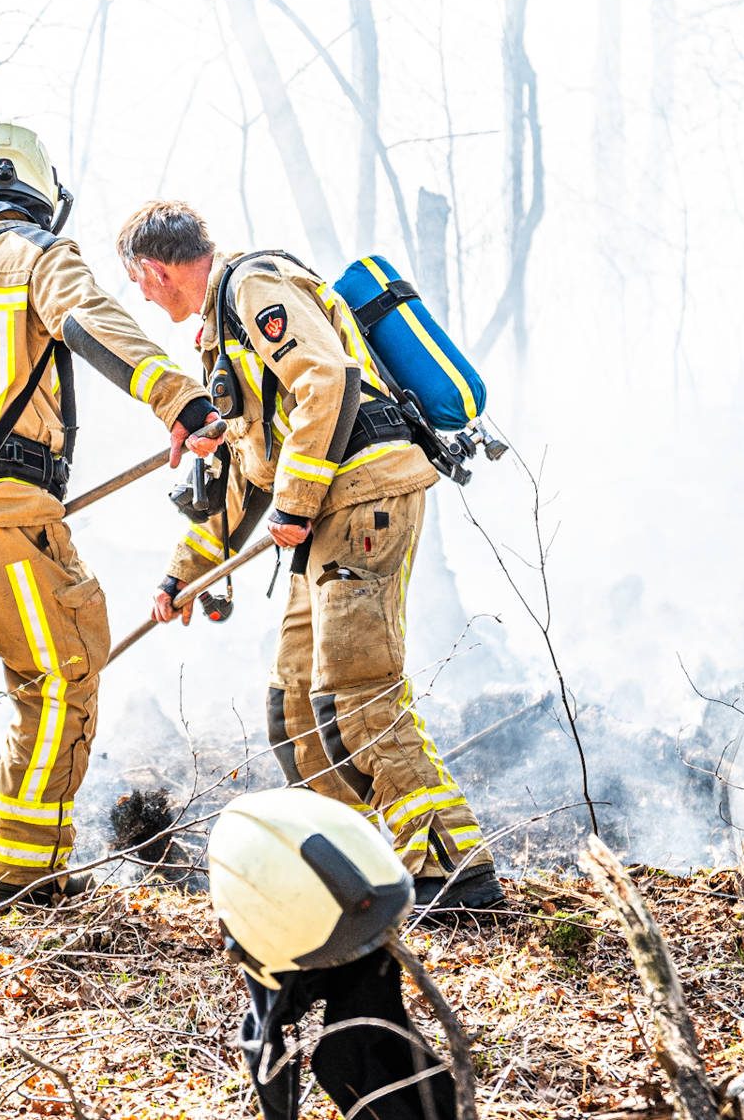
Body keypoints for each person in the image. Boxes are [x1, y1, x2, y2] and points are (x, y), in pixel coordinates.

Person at [0, 124, 221, 932]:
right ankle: (25, 884)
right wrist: (181, 400)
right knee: (59, 676)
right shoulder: (34, 252)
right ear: (40, 192)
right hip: (7, 520)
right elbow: (92, 320)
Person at [117, 200, 502, 913]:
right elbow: (246, 475)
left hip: (361, 498)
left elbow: (325, 380)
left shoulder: (252, 288)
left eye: (139, 284)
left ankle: (458, 879)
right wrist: (183, 573)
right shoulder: (222, 335)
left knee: (358, 695)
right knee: (295, 710)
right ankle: (354, 877)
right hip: (327, 511)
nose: (141, 297)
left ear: (155, 269)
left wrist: (294, 502)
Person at [208, 787, 458, 1120]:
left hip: (360, 905)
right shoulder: (257, 901)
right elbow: (266, 1040)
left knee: (356, 1043)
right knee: (345, 1042)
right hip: (296, 921)